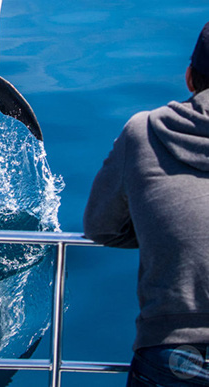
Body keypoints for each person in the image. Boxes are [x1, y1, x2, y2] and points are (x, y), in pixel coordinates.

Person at [84, 22, 209, 386]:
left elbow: (99, 227)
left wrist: (161, 228)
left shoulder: (143, 132)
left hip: (171, 356)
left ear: (189, 77)